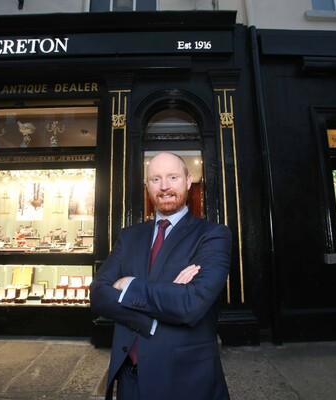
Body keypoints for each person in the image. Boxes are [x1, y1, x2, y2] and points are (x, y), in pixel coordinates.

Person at [90, 152, 232, 400]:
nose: (164, 186)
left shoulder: (213, 236)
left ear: (188, 181)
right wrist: (158, 312)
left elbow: (191, 304)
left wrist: (128, 285)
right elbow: (98, 295)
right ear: (147, 186)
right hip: (129, 380)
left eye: (172, 177)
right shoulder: (129, 236)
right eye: (155, 179)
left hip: (186, 382)